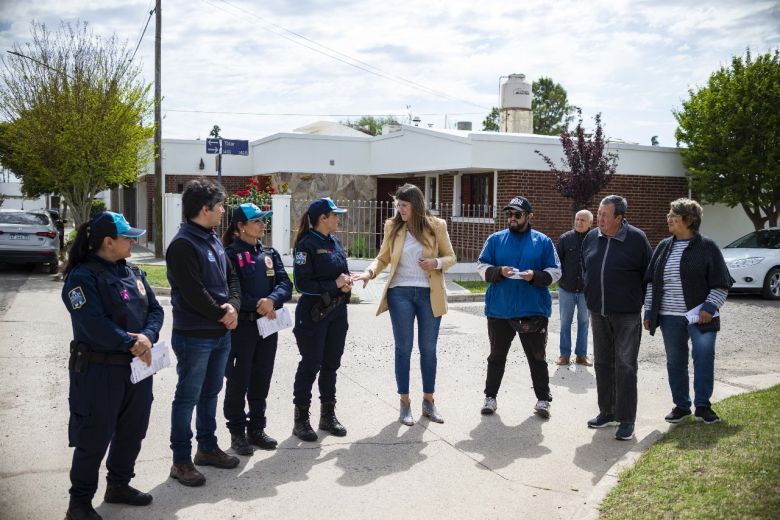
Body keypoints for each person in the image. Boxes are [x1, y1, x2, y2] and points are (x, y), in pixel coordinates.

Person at [61, 211, 163, 520]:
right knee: (94, 437)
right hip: (99, 371)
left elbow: (156, 310)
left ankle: (119, 484)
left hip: (137, 369)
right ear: (108, 242)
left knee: (133, 431)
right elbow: (92, 322)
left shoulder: (132, 272)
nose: (134, 241)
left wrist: (146, 336)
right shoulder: (82, 277)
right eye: (128, 237)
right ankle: (78, 503)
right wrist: (130, 342)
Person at [353, 184, 457, 425]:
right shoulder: (393, 226)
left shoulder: (436, 226)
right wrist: (369, 273)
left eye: (404, 205)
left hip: (429, 294)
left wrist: (436, 263)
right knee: (403, 348)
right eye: (398, 205)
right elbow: (383, 257)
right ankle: (404, 403)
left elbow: (451, 257)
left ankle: (428, 401)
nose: (400, 210)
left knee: (428, 348)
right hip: (400, 293)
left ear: (416, 205)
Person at [166, 178, 242, 487]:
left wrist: (233, 306)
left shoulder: (212, 238)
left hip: (219, 333)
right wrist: (222, 314)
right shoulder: (183, 244)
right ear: (204, 209)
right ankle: (181, 460)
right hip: (194, 336)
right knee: (188, 397)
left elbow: (232, 277)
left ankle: (207, 448)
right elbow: (193, 292)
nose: (224, 210)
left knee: (211, 393)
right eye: (220, 205)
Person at [643, 198, 732, 425]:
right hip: (669, 317)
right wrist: (649, 311)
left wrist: (709, 308)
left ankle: (702, 406)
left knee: (703, 357)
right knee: (675, 361)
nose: (669, 218)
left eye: (674, 215)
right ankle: (681, 406)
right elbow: (652, 282)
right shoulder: (664, 246)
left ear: (689, 220)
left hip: (701, 316)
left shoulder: (707, 247)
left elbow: (721, 283)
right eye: (670, 214)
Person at [476, 196, 561, 419]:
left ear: (529, 216)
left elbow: (556, 271)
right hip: (499, 310)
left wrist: (535, 276)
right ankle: (490, 397)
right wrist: (499, 272)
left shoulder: (543, 242)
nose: (512, 218)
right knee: (496, 356)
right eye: (509, 214)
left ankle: (543, 400)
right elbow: (481, 266)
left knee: (537, 357)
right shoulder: (495, 239)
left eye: (517, 214)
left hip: (533, 310)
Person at [220, 203, 292, 455]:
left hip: (267, 326)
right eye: (257, 221)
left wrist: (273, 299)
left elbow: (285, 283)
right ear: (240, 226)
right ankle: (237, 432)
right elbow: (231, 289)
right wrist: (257, 304)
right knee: (239, 380)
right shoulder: (228, 255)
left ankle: (257, 428)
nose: (263, 224)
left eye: (264, 220)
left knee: (262, 377)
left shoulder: (269, 252)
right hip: (242, 327)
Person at [581, 195, 652, 441]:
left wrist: (649, 309)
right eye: (598, 213)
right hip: (598, 312)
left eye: (604, 215)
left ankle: (626, 419)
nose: (598, 219)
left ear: (619, 218)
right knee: (602, 363)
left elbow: (649, 276)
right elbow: (586, 268)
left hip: (627, 315)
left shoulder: (637, 239)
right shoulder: (591, 237)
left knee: (625, 365)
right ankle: (607, 412)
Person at [291, 197, 352, 442]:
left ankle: (327, 415)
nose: (338, 218)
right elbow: (302, 283)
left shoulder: (333, 242)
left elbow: (339, 271)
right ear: (322, 219)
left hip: (337, 312)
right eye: (335, 215)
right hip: (314, 314)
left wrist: (346, 281)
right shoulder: (306, 246)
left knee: (331, 363)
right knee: (311, 364)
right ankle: (301, 419)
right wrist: (333, 284)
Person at [556, 209, 594, 366]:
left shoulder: (596, 239)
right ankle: (564, 355)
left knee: (584, 322)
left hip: (587, 291)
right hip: (567, 289)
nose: (579, 222)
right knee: (565, 322)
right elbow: (557, 263)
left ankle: (581, 355)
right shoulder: (565, 239)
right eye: (577, 219)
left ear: (590, 223)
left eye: (583, 220)